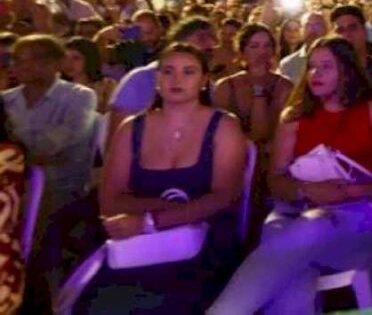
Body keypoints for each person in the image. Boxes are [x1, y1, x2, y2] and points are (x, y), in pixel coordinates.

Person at [209, 37, 372, 314]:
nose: (315, 73)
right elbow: (276, 182)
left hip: (361, 221)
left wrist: (347, 192)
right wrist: (308, 191)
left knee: (310, 227)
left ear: (347, 71)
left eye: (326, 67)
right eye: (311, 66)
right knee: (288, 258)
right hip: (298, 211)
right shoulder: (294, 117)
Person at [78, 44, 245, 314]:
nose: (176, 79)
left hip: (204, 243)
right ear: (156, 79)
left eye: (188, 72)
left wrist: (151, 220)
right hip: (137, 243)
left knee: (162, 300)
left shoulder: (224, 126)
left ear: (204, 81)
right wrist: (155, 216)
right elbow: (109, 200)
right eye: (168, 71)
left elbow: (224, 195)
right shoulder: (131, 128)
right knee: (100, 298)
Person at [3, 35, 97, 227]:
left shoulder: (80, 97)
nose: (24, 65)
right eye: (18, 59)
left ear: (57, 63)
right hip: (9, 189)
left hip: (61, 193)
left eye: (35, 59)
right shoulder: (5, 100)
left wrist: (14, 153)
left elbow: (49, 147)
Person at [107, 17, 217, 143]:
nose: (210, 43)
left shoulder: (208, 86)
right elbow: (115, 141)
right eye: (202, 37)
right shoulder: (140, 79)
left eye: (213, 37)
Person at [213, 23, 293, 145]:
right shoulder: (225, 87)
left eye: (267, 46)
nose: (262, 52)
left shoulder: (286, 86)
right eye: (254, 46)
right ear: (242, 52)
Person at [62, 37, 116, 113]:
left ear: (89, 59)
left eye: (76, 58)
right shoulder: (57, 86)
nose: (68, 63)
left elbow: (110, 116)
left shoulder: (107, 85)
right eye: (65, 58)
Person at [278, 11, 328, 82]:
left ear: (326, 29)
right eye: (308, 26)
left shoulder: (337, 59)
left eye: (317, 26)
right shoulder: (288, 64)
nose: (312, 30)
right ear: (301, 30)